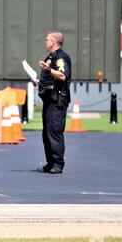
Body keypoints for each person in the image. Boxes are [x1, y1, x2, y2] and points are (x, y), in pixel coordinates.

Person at [32, 31, 71, 174]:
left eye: (47, 40)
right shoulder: (50, 57)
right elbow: (49, 78)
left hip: (57, 101)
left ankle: (58, 164)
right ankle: (50, 162)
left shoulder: (61, 58)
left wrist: (48, 70)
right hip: (49, 100)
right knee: (47, 133)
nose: (45, 42)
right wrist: (38, 82)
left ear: (53, 42)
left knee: (55, 131)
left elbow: (62, 75)